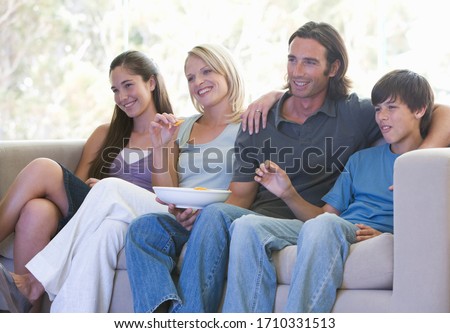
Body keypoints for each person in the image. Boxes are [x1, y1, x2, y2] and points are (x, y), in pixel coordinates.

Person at [125, 21, 450, 313]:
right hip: (253, 217)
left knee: (233, 222)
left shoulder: (356, 114)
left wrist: (412, 165)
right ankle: (183, 320)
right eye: (292, 60)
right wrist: (199, 214)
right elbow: (239, 199)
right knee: (171, 224)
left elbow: (437, 111)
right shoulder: (258, 120)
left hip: (304, 220)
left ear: (333, 68)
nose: (297, 71)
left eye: (310, 62)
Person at [0, 43, 246, 313]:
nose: (197, 82)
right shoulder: (181, 127)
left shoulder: (246, 125)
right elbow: (169, 190)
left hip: (181, 214)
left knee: (103, 188)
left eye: (206, 72)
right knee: (107, 230)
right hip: (163, 213)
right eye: (190, 77)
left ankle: (34, 281)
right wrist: (162, 146)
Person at [222, 69, 434, 312]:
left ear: (419, 110)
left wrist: (395, 237)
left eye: (391, 108)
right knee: (246, 225)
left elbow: (433, 225)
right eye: (377, 109)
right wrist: (287, 192)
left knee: (325, 225)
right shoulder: (360, 160)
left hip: (365, 233)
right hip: (336, 228)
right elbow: (323, 216)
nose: (382, 117)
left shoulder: (431, 166)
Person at [0, 50, 173, 312]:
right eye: (115, 90)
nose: (122, 97)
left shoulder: (172, 132)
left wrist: (108, 189)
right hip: (92, 210)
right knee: (38, 210)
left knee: (43, 168)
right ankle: (27, 313)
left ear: (151, 82)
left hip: (133, 215)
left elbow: (169, 194)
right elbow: (74, 186)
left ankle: (31, 284)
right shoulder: (106, 133)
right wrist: (95, 187)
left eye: (128, 85)